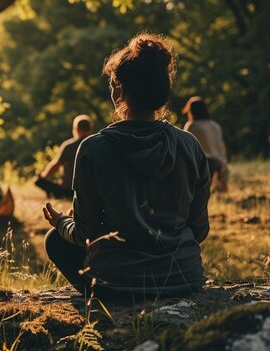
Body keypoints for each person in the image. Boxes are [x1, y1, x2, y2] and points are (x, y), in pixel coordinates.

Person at [42, 33, 211, 300]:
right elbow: (199, 230)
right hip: (184, 280)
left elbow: (85, 233)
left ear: (119, 91)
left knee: (54, 240)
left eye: (112, 83)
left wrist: (63, 222)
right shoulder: (189, 146)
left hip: (116, 287)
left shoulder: (93, 149)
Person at [35, 115, 93, 199]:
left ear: (75, 129)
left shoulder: (70, 146)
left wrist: (43, 176)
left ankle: (54, 194)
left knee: (38, 181)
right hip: (89, 191)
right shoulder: (97, 145)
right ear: (90, 129)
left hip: (68, 190)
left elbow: (56, 165)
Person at [183, 97, 228, 192]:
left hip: (203, 163)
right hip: (220, 162)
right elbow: (222, 146)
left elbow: (185, 147)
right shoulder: (214, 125)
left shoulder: (192, 125)